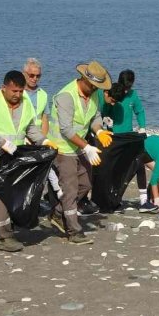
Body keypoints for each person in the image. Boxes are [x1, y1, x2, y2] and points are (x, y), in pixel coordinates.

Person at [0, 70, 56, 252]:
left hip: (14, 159)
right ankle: (5, 237)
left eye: (20, 91)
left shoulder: (26, 104)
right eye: (14, 91)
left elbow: (30, 129)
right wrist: (1, 142)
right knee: (1, 198)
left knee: (14, 195)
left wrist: (45, 141)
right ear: (4, 88)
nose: (17, 95)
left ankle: (11, 227)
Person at [46, 60, 113, 244]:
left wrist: (99, 130)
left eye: (97, 87)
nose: (94, 89)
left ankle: (58, 213)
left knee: (86, 184)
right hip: (63, 149)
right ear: (83, 79)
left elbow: (95, 116)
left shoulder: (94, 94)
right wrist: (87, 147)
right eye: (92, 86)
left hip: (80, 147)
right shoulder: (66, 96)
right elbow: (66, 129)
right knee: (70, 188)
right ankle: (73, 230)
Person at [102, 71, 152, 212]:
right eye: (124, 87)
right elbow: (104, 108)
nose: (126, 91)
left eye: (128, 88)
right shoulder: (112, 93)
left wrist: (142, 127)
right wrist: (106, 119)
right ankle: (113, 199)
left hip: (129, 136)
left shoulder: (133, 95)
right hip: (114, 136)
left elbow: (140, 111)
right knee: (116, 169)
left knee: (139, 163)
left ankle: (143, 201)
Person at [22, 58, 49, 136]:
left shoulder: (43, 94)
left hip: (38, 137)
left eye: (38, 76)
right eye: (31, 75)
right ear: (24, 74)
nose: (35, 79)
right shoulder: (18, 92)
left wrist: (43, 140)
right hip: (23, 136)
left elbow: (45, 119)